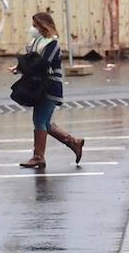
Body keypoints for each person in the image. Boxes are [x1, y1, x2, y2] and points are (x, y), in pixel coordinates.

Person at [17, 12, 84, 169]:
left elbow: (43, 64)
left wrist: (25, 66)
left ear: (43, 26)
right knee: (44, 122)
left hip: (49, 87)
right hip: (39, 86)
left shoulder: (51, 44)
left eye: (35, 26)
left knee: (40, 120)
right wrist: (19, 68)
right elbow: (31, 61)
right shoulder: (35, 43)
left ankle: (38, 157)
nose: (32, 29)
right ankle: (74, 143)